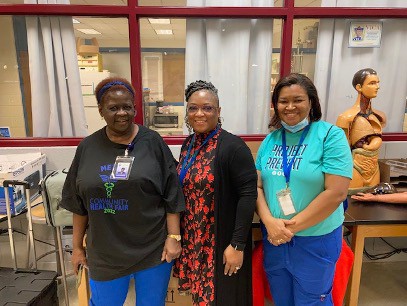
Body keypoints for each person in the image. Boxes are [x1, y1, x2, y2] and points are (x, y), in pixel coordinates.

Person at [60, 77, 185, 306]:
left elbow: (172, 194)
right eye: (113, 108)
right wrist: (77, 248)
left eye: (127, 107)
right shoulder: (87, 147)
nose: (122, 113)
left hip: (152, 248)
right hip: (105, 251)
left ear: (135, 108)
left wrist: (173, 237)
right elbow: (78, 203)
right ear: (100, 110)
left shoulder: (153, 142)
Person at [256, 73, 353, 306]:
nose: (290, 107)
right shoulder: (271, 140)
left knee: (313, 301)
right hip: (275, 240)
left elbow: (336, 193)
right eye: (283, 101)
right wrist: (269, 221)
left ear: (311, 102)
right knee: (282, 300)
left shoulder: (331, 136)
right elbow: (257, 185)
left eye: (297, 100)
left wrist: (289, 228)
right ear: (275, 105)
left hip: (314, 241)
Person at [174, 80, 257, 306]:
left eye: (207, 108)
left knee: (224, 297)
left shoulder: (233, 147)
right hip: (194, 239)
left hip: (220, 242)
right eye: (193, 108)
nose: (199, 113)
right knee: (200, 298)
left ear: (218, 111)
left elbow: (248, 196)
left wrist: (237, 244)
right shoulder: (188, 145)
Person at [336, 68, 386, 192]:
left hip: (373, 167)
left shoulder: (379, 116)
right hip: (353, 168)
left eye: (378, 82)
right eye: (372, 83)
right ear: (359, 87)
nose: (377, 87)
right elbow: (340, 151)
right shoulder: (346, 118)